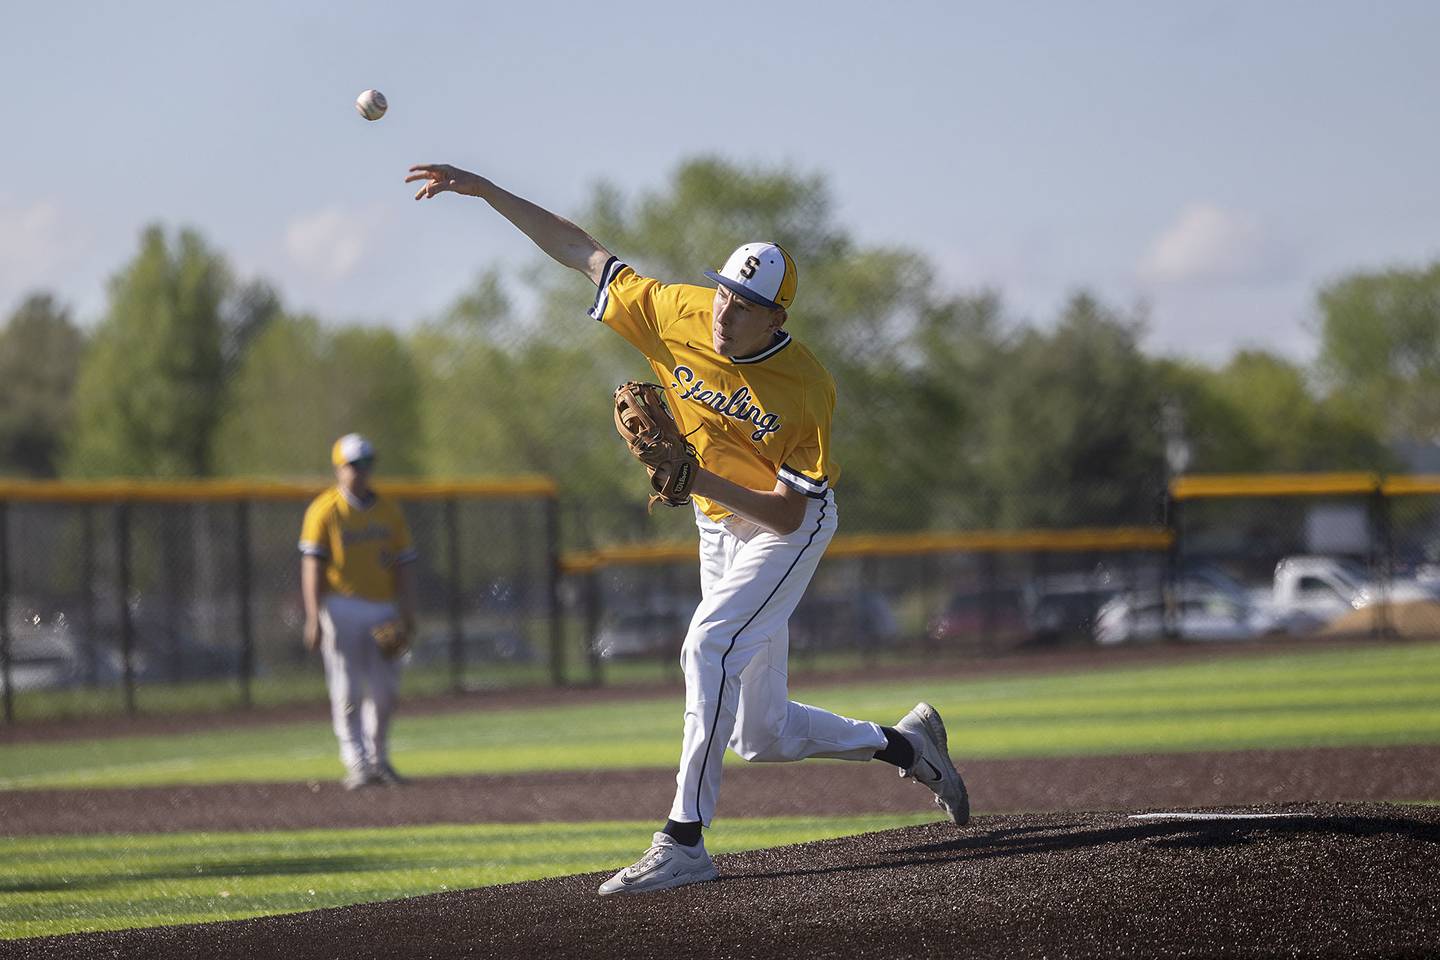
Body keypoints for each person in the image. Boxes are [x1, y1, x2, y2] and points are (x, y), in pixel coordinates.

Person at [406, 163, 969, 894]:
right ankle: (906, 745)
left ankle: (683, 840)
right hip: (715, 525)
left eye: (745, 305)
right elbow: (583, 251)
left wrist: (695, 477)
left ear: (778, 319)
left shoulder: (807, 388)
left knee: (707, 644)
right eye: (725, 292)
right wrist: (485, 191)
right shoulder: (676, 310)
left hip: (784, 529)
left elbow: (791, 512)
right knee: (759, 735)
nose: (724, 312)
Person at [299, 433, 419, 790]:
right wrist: (312, 615)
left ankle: (378, 758)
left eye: (367, 464)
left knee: (386, 690)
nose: (361, 472)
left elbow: (404, 563)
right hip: (340, 606)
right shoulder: (324, 510)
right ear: (338, 468)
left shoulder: (389, 511)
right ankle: (356, 761)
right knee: (347, 687)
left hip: (383, 607)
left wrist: (407, 610)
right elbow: (312, 567)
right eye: (354, 465)